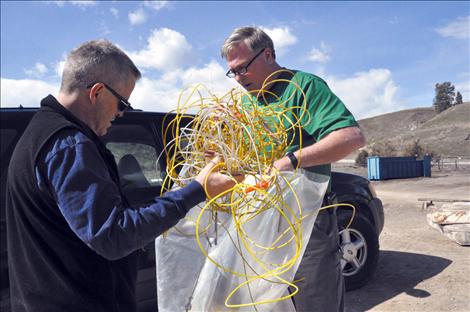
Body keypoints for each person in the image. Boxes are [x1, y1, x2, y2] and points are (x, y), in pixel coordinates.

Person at [6, 39, 241, 312]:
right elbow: (114, 235)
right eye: (122, 103)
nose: (120, 113)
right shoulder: (70, 145)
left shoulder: (41, 133)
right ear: (96, 92)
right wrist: (198, 189)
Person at [221, 27, 366, 312]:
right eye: (233, 73)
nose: (238, 79)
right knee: (266, 302)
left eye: (243, 69)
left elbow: (351, 136)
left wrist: (291, 160)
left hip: (306, 223)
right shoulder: (246, 103)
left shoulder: (304, 87)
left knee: (314, 300)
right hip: (259, 221)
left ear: (268, 54)